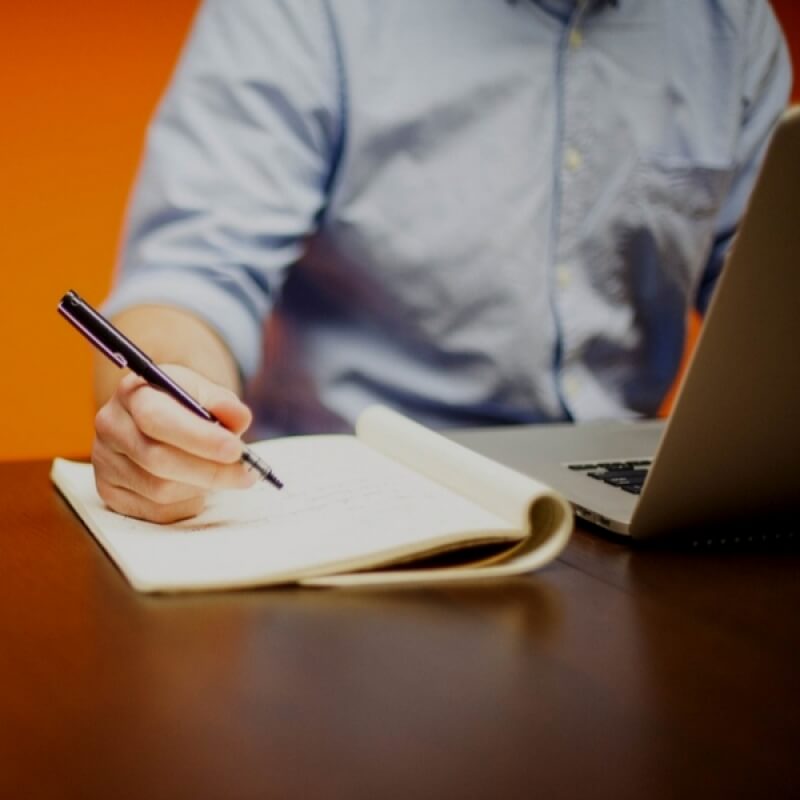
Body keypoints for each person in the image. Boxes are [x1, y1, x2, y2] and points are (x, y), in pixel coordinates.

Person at [93, 0, 791, 523]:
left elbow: (769, 299)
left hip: (634, 516)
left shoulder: (733, 24)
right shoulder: (307, 13)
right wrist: (170, 406)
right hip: (349, 513)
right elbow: (192, 274)